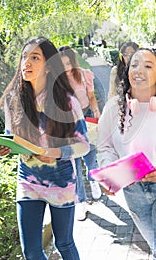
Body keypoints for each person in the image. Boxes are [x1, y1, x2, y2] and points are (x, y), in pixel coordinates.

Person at [0, 36, 90, 260]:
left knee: (64, 244)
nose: (26, 62)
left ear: (48, 66)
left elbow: (83, 145)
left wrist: (56, 153)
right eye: (24, 57)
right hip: (28, 181)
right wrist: (5, 146)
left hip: (61, 181)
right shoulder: (12, 100)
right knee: (31, 251)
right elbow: (12, 136)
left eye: (34, 57)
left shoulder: (67, 102)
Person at [97, 48, 156, 260]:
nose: (139, 69)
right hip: (133, 193)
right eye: (134, 64)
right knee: (155, 248)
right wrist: (110, 174)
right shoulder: (113, 108)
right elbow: (105, 148)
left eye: (148, 65)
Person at [59, 45, 102, 221]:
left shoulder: (84, 74)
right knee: (74, 163)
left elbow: (91, 96)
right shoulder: (56, 80)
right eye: (62, 64)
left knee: (90, 156)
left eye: (68, 62)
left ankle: (94, 180)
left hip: (86, 117)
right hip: (68, 122)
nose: (66, 66)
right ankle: (81, 203)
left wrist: (96, 111)